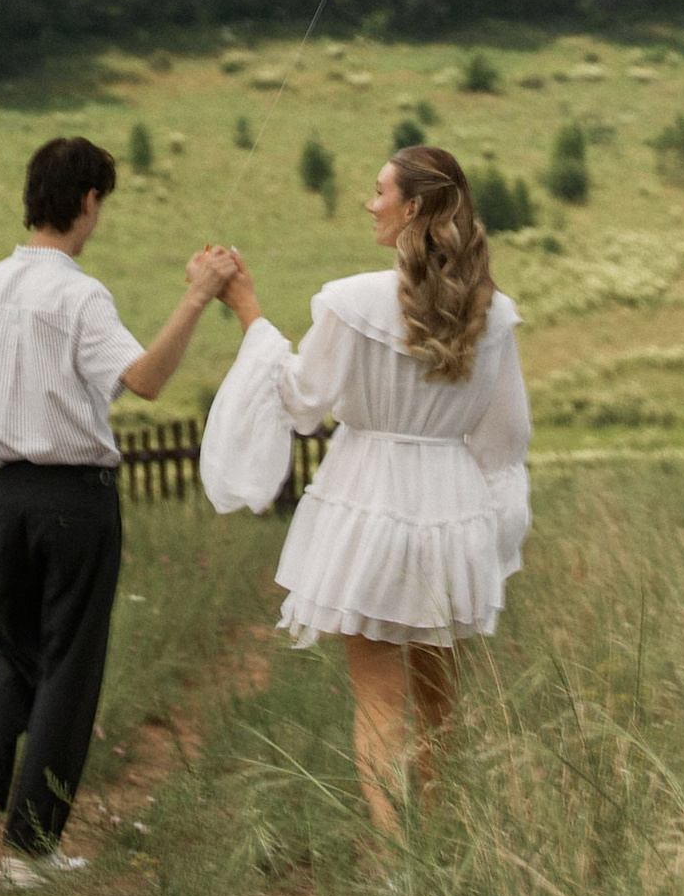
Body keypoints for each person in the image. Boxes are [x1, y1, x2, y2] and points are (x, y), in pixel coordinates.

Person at [0, 131, 240, 888]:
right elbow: (144, 379)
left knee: (11, 648)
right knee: (69, 663)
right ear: (89, 201)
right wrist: (198, 294)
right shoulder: (77, 294)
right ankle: (34, 849)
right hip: (74, 499)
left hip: (5, 492)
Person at [198, 140, 529, 829]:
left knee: (378, 699)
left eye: (380, 191)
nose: (369, 202)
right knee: (440, 700)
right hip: (451, 509)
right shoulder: (493, 314)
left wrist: (248, 309)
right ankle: (435, 841)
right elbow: (504, 438)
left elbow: (300, 401)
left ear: (412, 207)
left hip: (368, 502)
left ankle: (390, 855)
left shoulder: (352, 304)